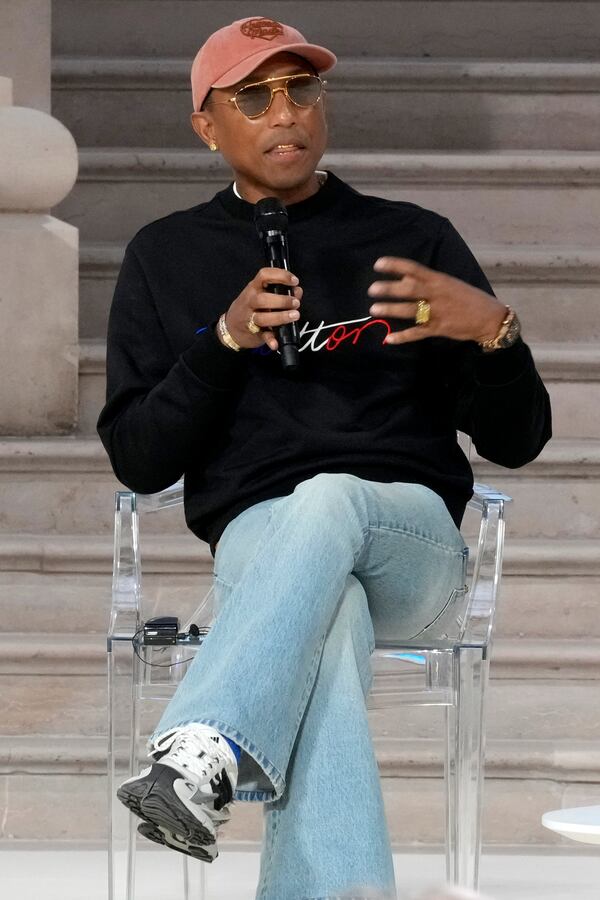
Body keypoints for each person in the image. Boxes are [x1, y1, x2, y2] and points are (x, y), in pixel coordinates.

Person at [97, 16, 551, 900]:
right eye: (253, 96)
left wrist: (495, 335)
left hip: (407, 541)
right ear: (207, 124)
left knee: (333, 494)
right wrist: (222, 342)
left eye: (301, 89)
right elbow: (140, 459)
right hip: (265, 548)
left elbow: (518, 439)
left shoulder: (411, 237)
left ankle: (203, 744)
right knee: (327, 614)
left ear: (323, 105)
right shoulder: (165, 256)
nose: (285, 112)